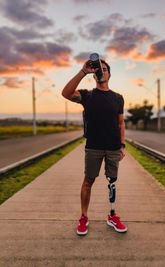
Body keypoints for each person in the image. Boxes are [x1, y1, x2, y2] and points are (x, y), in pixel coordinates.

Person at [62, 57, 127, 235]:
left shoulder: (118, 98)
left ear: (110, 74)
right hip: (94, 147)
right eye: (98, 69)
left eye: (104, 69)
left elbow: (121, 123)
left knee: (112, 182)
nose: (101, 71)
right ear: (94, 75)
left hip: (114, 147)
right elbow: (66, 93)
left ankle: (112, 216)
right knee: (88, 182)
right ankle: (84, 217)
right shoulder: (87, 96)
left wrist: (122, 145)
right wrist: (83, 71)